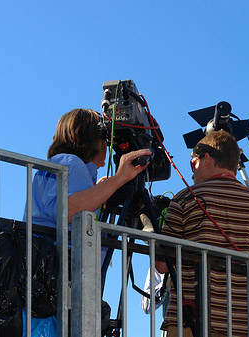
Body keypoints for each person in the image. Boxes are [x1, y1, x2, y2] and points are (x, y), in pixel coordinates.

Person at [25, 108, 151, 337]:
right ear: (91, 138)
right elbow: (68, 209)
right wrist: (119, 179)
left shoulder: (69, 165)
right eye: (104, 136)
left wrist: (100, 190)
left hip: (50, 282)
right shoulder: (70, 162)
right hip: (55, 281)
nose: (107, 144)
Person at [155, 130, 249, 337]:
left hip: (190, 320)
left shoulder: (185, 199)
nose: (191, 173)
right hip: (242, 325)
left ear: (206, 158)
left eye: (193, 163)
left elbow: (161, 265)